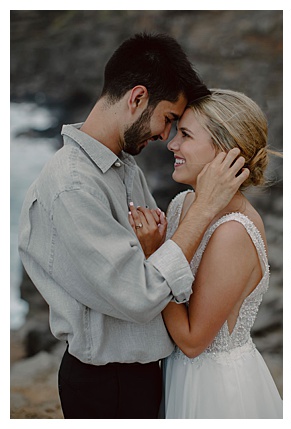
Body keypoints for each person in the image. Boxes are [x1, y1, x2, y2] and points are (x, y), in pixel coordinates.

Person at [18, 33, 248, 419]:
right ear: (137, 98)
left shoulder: (123, 166)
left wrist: (154, 252)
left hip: (139, 376)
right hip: (107, 385)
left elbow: (150, 266)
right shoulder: (74, 185)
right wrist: (204, 207)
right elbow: (140, 295)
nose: (165, 136)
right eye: (169, 119)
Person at [127, 89, 282, 418]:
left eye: (185, 135)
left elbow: (194, 341)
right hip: (177, 374)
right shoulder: (183, 203)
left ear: (225, 151)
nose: (171, 144)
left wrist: (155, 254)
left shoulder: (233, 232)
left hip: (216, 390)